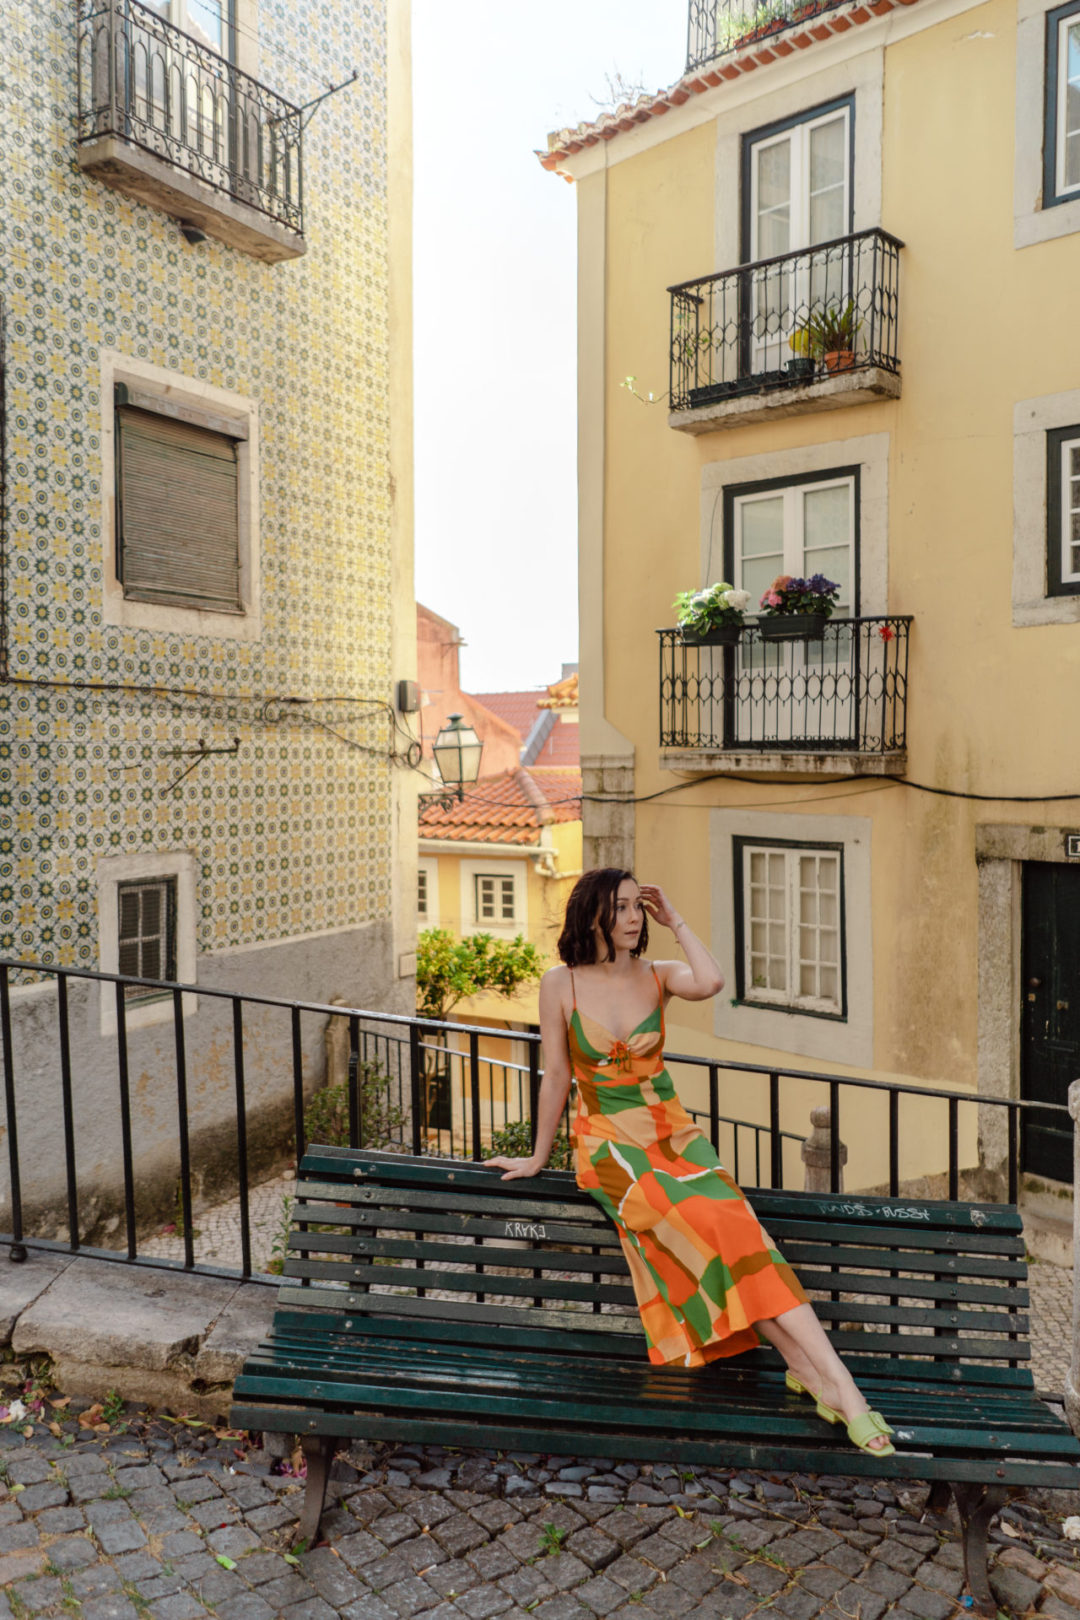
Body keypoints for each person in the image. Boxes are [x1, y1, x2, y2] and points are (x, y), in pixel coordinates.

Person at [485, 867, 895, 1457]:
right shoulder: (561, 984)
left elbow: (712, 980)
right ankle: (843, 1391)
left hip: (674, 1134)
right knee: (686, 1213)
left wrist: (674, 919)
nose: (633, 917)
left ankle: (825, 1378)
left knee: (736, 1227)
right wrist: (536, 1155)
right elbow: (556, 1076)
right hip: (607, 1145)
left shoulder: (657, 976)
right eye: (622, 907)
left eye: (637, 907)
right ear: (594, 914)